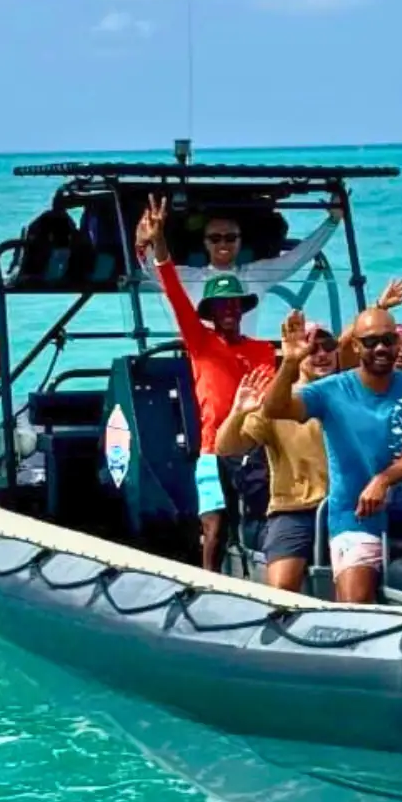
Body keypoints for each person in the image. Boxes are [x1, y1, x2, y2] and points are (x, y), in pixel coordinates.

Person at [259, 305, 402, 603]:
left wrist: (383, 480)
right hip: (355, 518)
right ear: (355, 346)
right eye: (370, 341)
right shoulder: (330, 390)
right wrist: (290, 363)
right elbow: (274, 408)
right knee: (357, 600)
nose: (380, 347)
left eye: (387, 340)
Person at [134, 194, 276, 573]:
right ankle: (208, 584)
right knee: (214, 527)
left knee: (260, 521)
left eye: (234, 305)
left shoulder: (263, 350)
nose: (228, 310)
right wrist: (158, 240)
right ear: (212, 312)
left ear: (242, 309)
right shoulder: (200, 342)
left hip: (254, 449)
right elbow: (173, 290)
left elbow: (279, 392)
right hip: (214, 449)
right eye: (221, 306)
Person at [215, 322, 339, 593]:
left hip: (347, 507)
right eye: (311, 347)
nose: (321, 354)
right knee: (281, 587)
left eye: (328, 345)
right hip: (294, 510)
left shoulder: (353, 392)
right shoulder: (276, 403)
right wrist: (237, 413)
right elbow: (226, 448)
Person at [139, 201, 343, 336]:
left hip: (245, 358)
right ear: (205, 243)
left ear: (239, 241)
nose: (223, 244)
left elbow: (299, 256)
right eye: (215, 238)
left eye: (230, 238)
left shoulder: (257, 275)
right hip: (201, 360)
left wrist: (332, 221)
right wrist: (145, 240)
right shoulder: (188, 277)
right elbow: (153, 268)